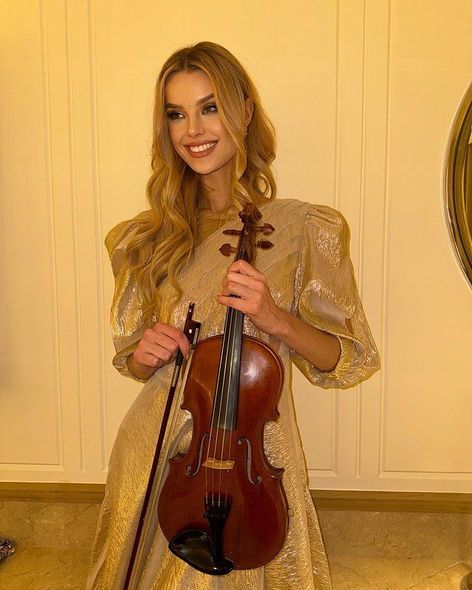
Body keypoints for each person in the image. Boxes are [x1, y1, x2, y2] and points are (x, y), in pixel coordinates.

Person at [86, 41, 380, 590]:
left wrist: (277, 318)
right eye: (176, 114)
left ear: (244, 111)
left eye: (210, 107)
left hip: (252, 465)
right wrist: (145, 355)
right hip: (158, 455)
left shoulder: (302, 228)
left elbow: (350, 359)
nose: (193, 129)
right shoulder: (143, 239)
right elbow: (134, 361)